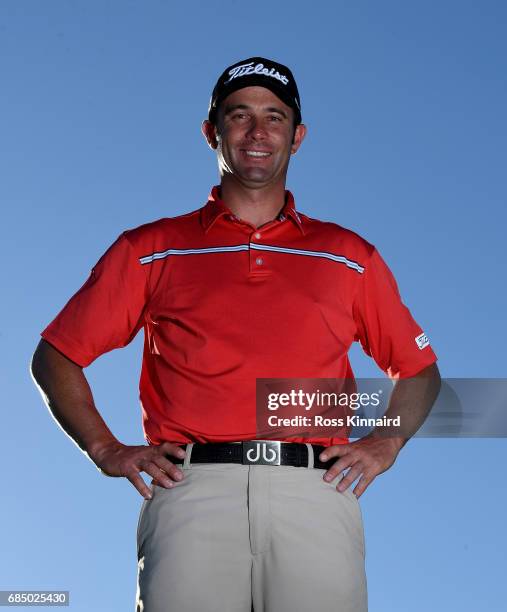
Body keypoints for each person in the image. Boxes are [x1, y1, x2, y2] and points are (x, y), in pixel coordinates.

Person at [31, 57, 441, 612]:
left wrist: (386, 441)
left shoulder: (349, 256)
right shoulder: (152, 247)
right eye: (239, 115)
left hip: (316, 494)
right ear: (211, 132)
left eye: (274, 117)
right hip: (191, 491)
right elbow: (56, 355)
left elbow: (418, 371)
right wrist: (104, 448)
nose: (257, 132)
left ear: (297, 138)